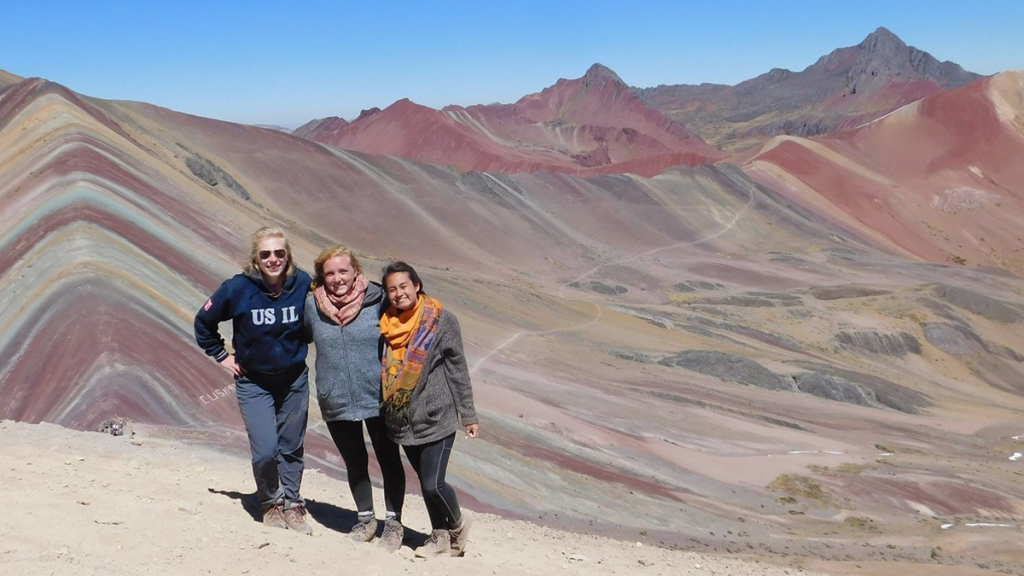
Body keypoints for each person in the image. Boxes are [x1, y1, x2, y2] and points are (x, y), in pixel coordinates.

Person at [194, 227, 314, 535]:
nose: (273, 259)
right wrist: (222, 356)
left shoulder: (302, 283)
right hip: (254, 382)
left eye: (279, 253)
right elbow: (203, 322)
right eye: (265, 254)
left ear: (288, 256)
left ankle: (292, 503)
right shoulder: (237, 288)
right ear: (255, 258)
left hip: (293, 379)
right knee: (265, 449)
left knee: (291, 446)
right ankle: (270, 503)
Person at [304, 246, 407, 551]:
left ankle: (393, 523)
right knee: (355, 461)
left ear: (356, 271)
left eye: (343, 271)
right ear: (322, 276)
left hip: (376, 395)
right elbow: (301, 337)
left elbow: (404, 331)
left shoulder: (377, 301)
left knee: (389, 459)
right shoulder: (312, 305)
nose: (337, 279)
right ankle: (365, 519)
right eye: (330, 273)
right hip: (335, 396)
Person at [379, 261, 479, 558]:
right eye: (392, 289)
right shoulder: (386, 323)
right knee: (425, 482)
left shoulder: (442, 320)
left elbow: (457, 369)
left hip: (437, 415)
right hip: (402, 420)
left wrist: (469, 415)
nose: (398, 294)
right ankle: (440, 538)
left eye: (403, 286)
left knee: (434, 484)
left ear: (417, 285)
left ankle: (459, 523)